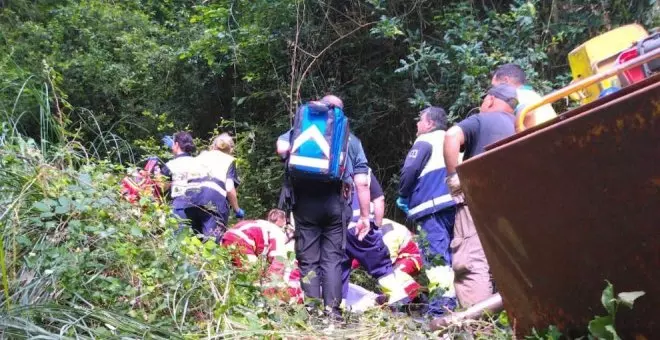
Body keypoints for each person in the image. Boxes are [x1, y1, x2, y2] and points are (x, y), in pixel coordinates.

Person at [277, 94, 372, 318]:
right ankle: (332, 311)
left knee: (308, 257)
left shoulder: (302, 128)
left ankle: (311, 309)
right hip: (336, 203)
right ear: (341, 114)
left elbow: (281, 148)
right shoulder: (351, 141)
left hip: (305, 201)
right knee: (332, 259)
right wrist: (365, 217)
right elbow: (362, 181)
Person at [443, 84, 518, 308]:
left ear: (491, 100)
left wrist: (454, 177)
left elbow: (451, 136)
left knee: (470, 260)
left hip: (478, 197)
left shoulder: (482, 119)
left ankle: (478, 327)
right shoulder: (520, 123)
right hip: (513, 202)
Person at [342, 169, 420, 308]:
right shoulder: (363, 169)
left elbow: (385, 260)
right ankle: (400, 298)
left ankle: (413, 299)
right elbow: (379, 199)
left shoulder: (387, 235)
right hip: (360, 226)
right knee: (383, 272)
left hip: (410, 256)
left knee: (392, 272)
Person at [221, 219, 303, 304]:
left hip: (230, 236)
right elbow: (277, 268)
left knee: (237, 278)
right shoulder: (279, 238)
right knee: (254, 280)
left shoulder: (269, 227)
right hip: (241, 241)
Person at [186, 133, 244, 241]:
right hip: (213, 203)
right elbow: (229, 187)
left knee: (192, 243)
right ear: (231, 149)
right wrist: (237, 209)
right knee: (211, 244)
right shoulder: (229, 160)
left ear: (213, 146)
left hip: (190, 200)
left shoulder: (200, 156)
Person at [160, 131, 211, 235]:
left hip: (180, 207)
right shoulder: (199, 162)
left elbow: (160, 187)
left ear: (177, 144)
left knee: (179, 243)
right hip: (201, 205)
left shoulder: (172, 164)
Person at [491, 63, 557, 131]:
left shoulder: (514, 97)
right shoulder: (534, 96)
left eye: (494, 87)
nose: (494, 92)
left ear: (506, 80)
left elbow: (528, 113)